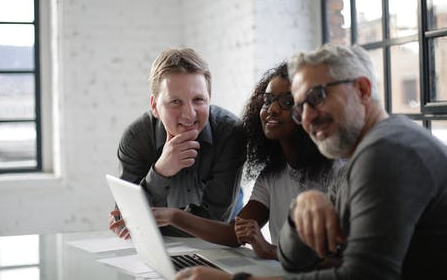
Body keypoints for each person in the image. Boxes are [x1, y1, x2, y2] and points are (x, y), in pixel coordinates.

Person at [174, 44, 447, 280]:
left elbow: (364, 276)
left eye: (316, 98)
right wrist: (302, 208)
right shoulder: (360, 159)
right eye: (300, 107)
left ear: (362, 89)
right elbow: (295, 260)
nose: (306, 117)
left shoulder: (388, 151)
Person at [149, 62, 341, 259]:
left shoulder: (339, 173)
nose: (272, 109)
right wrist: (173, 216)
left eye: (287, 102)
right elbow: (234, 234)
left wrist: (270, 250)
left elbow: (346, 259)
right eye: (267, 100)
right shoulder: (271, 176)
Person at [109, 48, 246, 237]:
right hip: (160, 247)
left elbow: (216, 220)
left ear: (209, 100)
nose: (189, 114)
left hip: (222, 244)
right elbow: (124, 219)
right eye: (175, 101)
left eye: (198, 100)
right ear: (155, 106)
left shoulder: (230, 133)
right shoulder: (137, 137)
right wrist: (161, 171)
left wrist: (149, 221)